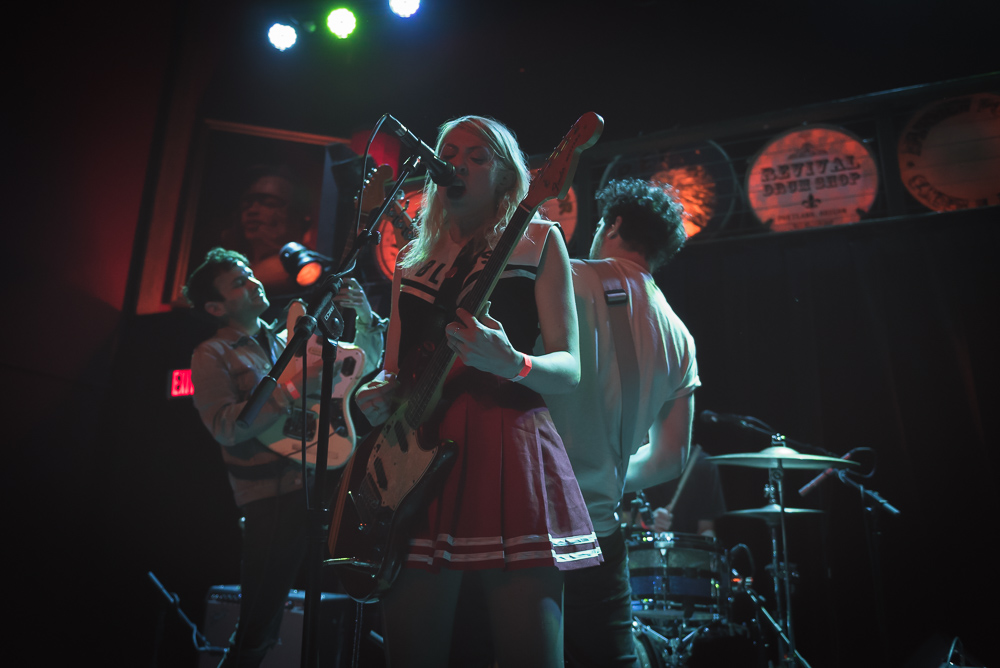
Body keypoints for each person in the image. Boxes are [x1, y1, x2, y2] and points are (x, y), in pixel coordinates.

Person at [353, 115, 602, 668]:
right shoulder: (412, 256)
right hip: (416, 453)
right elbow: (393, 369)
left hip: (505, 445)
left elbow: (569, 367)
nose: (459, 164)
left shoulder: (539, 238)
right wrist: (380, 390)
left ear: (507, 172)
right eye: (450, 152)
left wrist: (514, 362)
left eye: (478, 155)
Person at [184, 248, 385, 668]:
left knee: (365, 582)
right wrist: (293, 388)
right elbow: (224, 426)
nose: (253, 282)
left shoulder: (286, 337)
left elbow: (356, 370)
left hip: (322, 478)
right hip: (269, 496)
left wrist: (364, 317)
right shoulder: (212, 354)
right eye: (239, 282)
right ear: (215, 307)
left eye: (249, 274)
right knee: (260, 620)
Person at [541, 178, 701, 668]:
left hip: (532, 518)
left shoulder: (565, 278)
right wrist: (603, 480)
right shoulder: (680, 336)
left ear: (613, 224)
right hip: (601, 531)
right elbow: (671, 458)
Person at [219, 165, 315, 294]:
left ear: (300, 215)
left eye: (270, 204)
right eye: (247, 205)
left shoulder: (307, 268)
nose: (253, 210)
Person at [642, 447, 726, 537]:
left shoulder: (704, 464)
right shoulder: (640, 461)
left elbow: (706, 527)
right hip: (645, 545)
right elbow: (626, 517)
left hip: (688, 547)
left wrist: (708, 545)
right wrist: (646, 523)